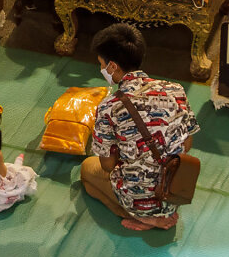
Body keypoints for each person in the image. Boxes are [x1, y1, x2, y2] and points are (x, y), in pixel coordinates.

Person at [80, 23, 200, 231]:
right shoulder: (176, 90)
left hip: (138, 197)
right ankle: (159, 214)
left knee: (87, 171)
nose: (101, 69)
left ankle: (139, 217)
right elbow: (187, 143)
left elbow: (108, 165)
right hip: (175, 189)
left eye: (101, 64)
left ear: (112, 67)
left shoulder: (109, 106)